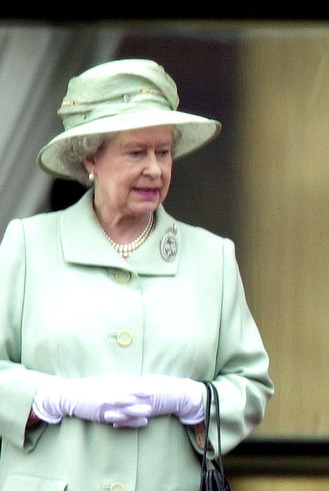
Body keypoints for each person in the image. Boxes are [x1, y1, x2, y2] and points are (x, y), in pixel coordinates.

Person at [0, 59, 274, 489]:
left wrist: (195, 401)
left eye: (163, 152)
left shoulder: (212, 258)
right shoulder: (28, 247)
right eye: (136, 152)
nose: (155, 169)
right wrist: (52, 399)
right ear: (91, 156)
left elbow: (251, 386)